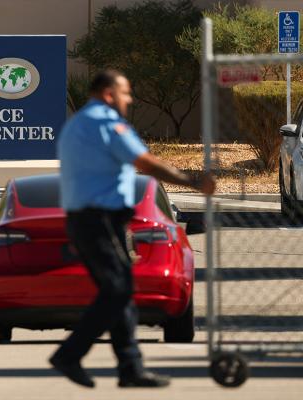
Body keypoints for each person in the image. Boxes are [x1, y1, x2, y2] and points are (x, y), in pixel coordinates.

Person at [50, 69, 215, 388]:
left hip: (93, 219)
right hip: (98, 220)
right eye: (126, 93)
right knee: (117, 290)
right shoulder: (106, 123)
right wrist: (192, 181)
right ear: (109, 94)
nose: (131, 99)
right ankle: (70, 354)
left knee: (121, 295)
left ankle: (130, 368)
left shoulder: (78, 124)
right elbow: (146, 163)